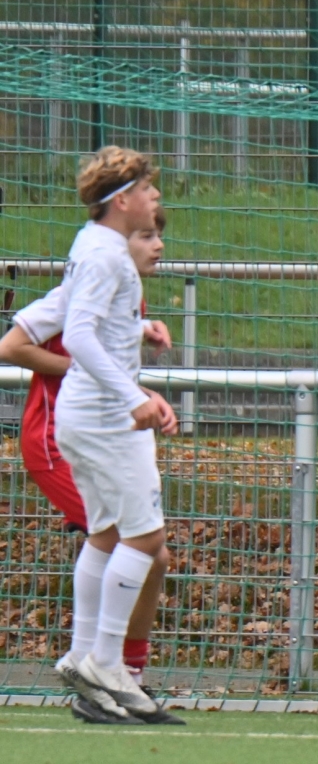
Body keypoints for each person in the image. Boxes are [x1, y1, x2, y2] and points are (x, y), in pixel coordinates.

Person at [4, 214, 179, 724]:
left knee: (125, 543)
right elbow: (12, 346)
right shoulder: (88, 278)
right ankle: (112, 672)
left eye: (158, 234)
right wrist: (114, 382)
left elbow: (107, 350)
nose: (158, 244)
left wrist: (141, 335)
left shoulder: (125, 293)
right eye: (145, 234)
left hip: (98, 430)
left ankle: (104, 671)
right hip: (56, 438)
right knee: (146, 548)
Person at [49, 148, 184, 723]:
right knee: (147, 539)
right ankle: (106, 662)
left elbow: (92, 320)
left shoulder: (94, 244)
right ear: (123, 200)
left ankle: (86, 659)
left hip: (85, 415)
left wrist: (137, 326)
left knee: (105, 535)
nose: (155, 198)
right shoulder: (107, 255)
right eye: (148, 189)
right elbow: (78, 336)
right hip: (107, 418)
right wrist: (134, 397)